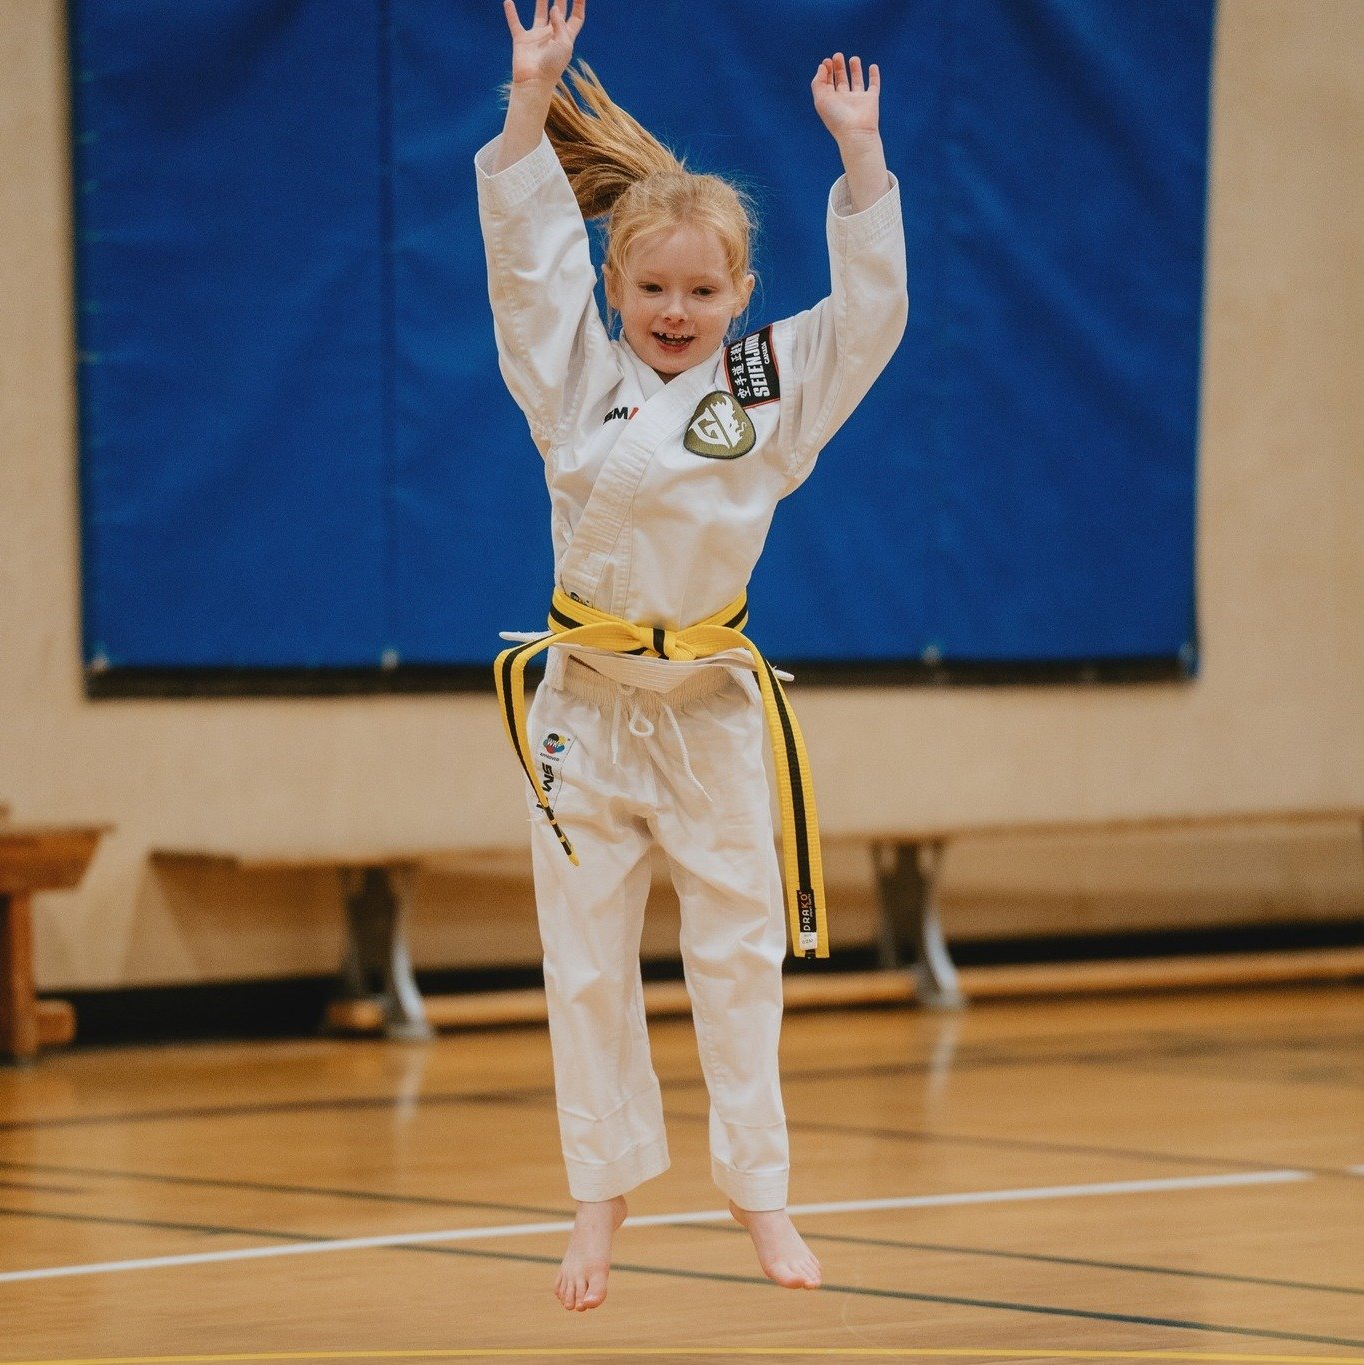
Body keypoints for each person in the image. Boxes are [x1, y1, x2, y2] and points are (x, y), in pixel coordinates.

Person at [476, 0, 906, 1312]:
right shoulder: (568, 378)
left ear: (740, 294)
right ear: (616, 292)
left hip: (711, 706)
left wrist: (859, 162)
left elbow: (872, 315)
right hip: (585, 706)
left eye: (701, 289)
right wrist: (525, 98)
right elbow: (525, 260)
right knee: (586, 958)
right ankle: (595, 1203)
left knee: (737, 951)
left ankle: (757, 1191)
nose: (674, 308)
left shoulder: (769, 387)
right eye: (650, 287)